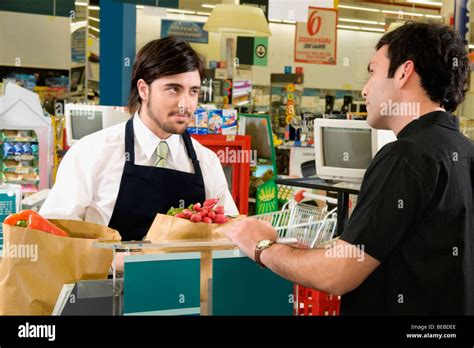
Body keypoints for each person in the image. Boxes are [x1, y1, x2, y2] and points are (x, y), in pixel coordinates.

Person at [224, 22, 474, 315]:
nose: (365, 90)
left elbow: (337, 274)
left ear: (404, 72)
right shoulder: (465, 151)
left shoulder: (404, 157)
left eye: (372, 72)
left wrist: (262, 246)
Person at [41, 37, 238, 241]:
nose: (185, 104)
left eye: (193, 91)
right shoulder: (92, 152)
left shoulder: (207, 162)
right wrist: (109, 262)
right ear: (143, 89)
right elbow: (53, 234)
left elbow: (227, 233)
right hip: (109, 274)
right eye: (173, 89)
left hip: (185, 274)